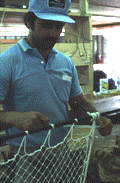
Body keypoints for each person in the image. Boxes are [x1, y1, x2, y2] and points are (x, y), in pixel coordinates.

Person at [0, 0, 113, 182]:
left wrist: (98, 118)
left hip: (61, 150)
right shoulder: (6, 63)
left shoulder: (65, 63)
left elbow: (79, 103)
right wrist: (13, 117)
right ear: (29, 22)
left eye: (58, 27)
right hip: (24, 155)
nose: (53, 34)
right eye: (46, 26)